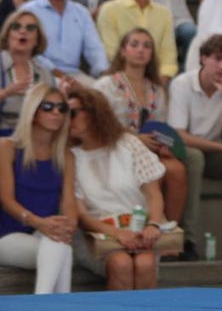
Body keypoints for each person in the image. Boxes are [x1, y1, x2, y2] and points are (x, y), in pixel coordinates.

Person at [68, 86, 170, 290]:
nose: (66, 118)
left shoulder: (128, 144)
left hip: (140, 229)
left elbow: (153, 194)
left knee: (145, 262)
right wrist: (117, 233)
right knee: (120, 263)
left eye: (72, 113)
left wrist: (153, 225)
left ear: (94, 113)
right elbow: (82, 216)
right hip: (96, 235)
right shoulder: (70, 156)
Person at [93, 28, 187, 235]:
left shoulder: (157, 89)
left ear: (152, 54)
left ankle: (171, 233)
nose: (140, 50)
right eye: (134, 44)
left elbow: (162, 128)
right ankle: (149, 224)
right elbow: (98, 125)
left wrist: (163, 146)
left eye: (147, 46)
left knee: (176, 169)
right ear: (123, 51)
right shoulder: (105, 85)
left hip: (150, 151)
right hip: (115, 149)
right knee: (153, 172)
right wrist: (135, 139)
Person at [168, 34, 222, 262]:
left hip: (215, 153)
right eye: (218, 59)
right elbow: (180, 136)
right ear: (203, 58)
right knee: (194, 157)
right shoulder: (182, 84)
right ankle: (188, 240)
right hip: (186, 152)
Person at [0, 83, 75, 293]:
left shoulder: (66, 156)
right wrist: (39, 222)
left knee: (61, 246)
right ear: (33, 110)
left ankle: (43, 304)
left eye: (62, 108)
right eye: (48, 107)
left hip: (45, 232)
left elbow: (69, 201)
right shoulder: (7, 148)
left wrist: (68, 225)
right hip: (6, 234)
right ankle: (46, 304)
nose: (56, 113)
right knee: (60, 248)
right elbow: (6, 200)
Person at [20, 0, 107, 81]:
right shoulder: (29, 11)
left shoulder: (81, 12)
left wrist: (103, 74)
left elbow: (95, 49)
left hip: (75, 76)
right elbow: (29, 51)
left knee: (104, 94)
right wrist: (58, 74)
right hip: (39, 74)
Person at [96, 0, 178, 80]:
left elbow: (168, 56)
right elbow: (112, 53)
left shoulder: (164, 13)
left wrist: (159, 82)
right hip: (120, 78)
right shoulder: (109, 10)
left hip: (157, 80)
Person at [0, 11, 56, 137]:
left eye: (30, 28)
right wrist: (5, 93)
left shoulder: (45, 74)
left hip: (35, 138)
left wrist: (59, 98)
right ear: (7, 36)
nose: (23, 31)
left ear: (37, 40)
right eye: (16, 27)